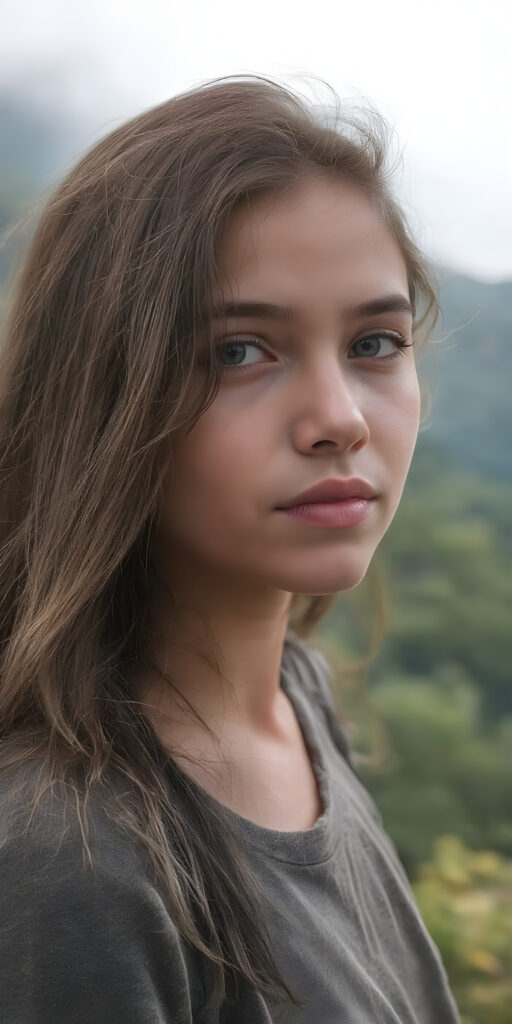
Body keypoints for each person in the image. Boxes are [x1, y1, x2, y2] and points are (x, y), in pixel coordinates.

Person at [0, 73, 462, 1023]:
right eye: (239, 352)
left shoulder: (298, 695)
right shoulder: (72, 861)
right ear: (99, 394)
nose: (340, 419)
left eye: (375, 343)